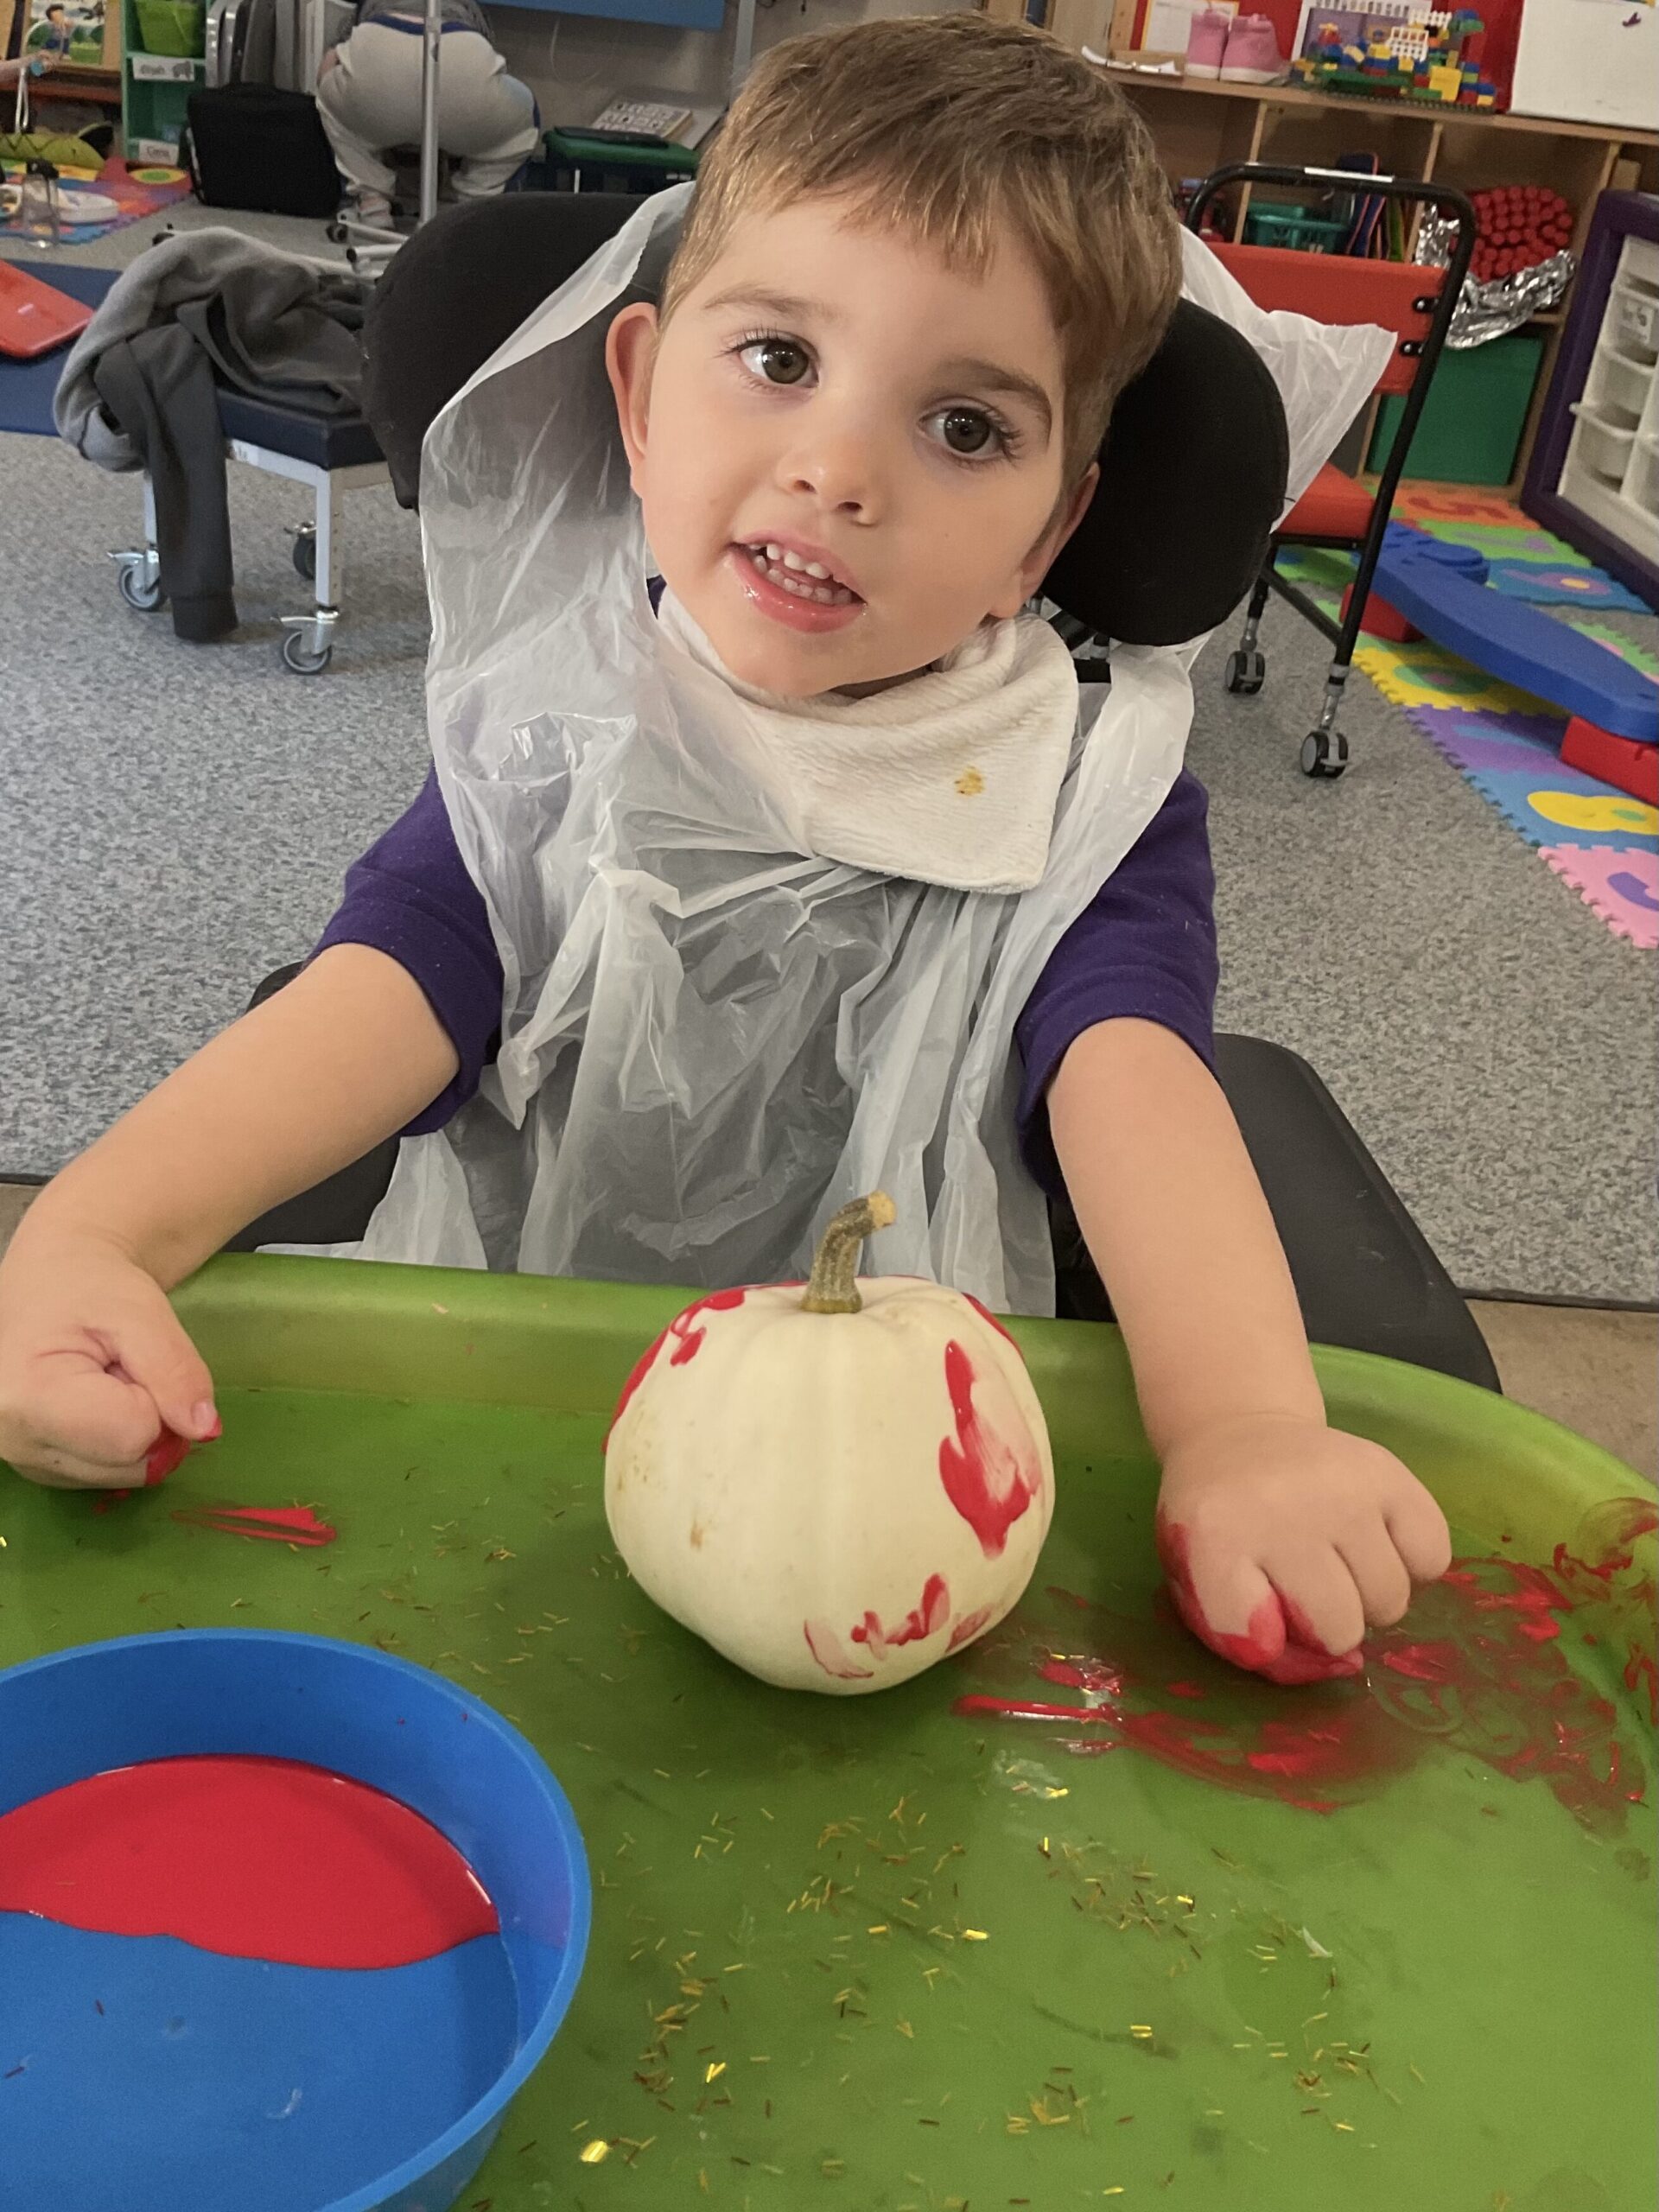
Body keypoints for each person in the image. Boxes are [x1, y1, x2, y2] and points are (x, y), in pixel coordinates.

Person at [0, 14, 1449, 1688]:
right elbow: (374, 997)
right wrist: (91, 1239)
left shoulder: (1072, 786)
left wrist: (1249, 1424)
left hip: (914, 1467)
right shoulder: (568, 731)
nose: (835, 470)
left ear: (1047, 532)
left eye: (966, 427)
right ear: (635, 392)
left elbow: (1138, 1085)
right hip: (530, 1384)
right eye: (778, 359)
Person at [315, 0, 539, 231]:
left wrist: (331, 89)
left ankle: (371, 202)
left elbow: (330, 61)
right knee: (521, 122)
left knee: (331, 106)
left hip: (378, 51)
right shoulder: (470, 7)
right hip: (459, 54)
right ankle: (473, 206)